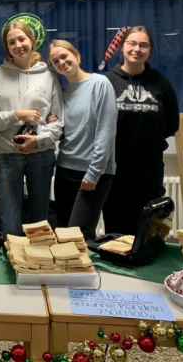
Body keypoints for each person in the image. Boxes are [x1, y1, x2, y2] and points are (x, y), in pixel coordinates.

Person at [0, 21, 63, 237]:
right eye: (11, 42)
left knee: (39, 224)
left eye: (22, 39)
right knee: (9, 224)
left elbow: (58, 122)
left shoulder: (49, 77)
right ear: (7, 48)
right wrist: (17, 115)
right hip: (7, 157)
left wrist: (39, 140)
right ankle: (12, 258)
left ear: (32, 41)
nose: (18, 45)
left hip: (41, 155)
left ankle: (36, 259)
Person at [103, 25, 180, 235]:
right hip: (115, 171)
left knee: (148, 232)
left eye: (143, 45)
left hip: (149, 171)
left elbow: (172, 124)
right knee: (117, 234)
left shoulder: (161, 83)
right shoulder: (107, 81)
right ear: (122, 47)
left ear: (150, 50)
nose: (137, 49)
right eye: (132, 43)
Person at [48, 39, 117, 241]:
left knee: (80, 235)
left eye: (64, 56)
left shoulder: (100, 83)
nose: (61, 62)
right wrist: (52, 123)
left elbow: (106, 129)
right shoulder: (61, 93)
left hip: (93, 172)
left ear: (76, 56)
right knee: (63, 233)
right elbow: (66, 132)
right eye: (55, 61)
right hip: (65, 170)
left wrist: (94, 172)